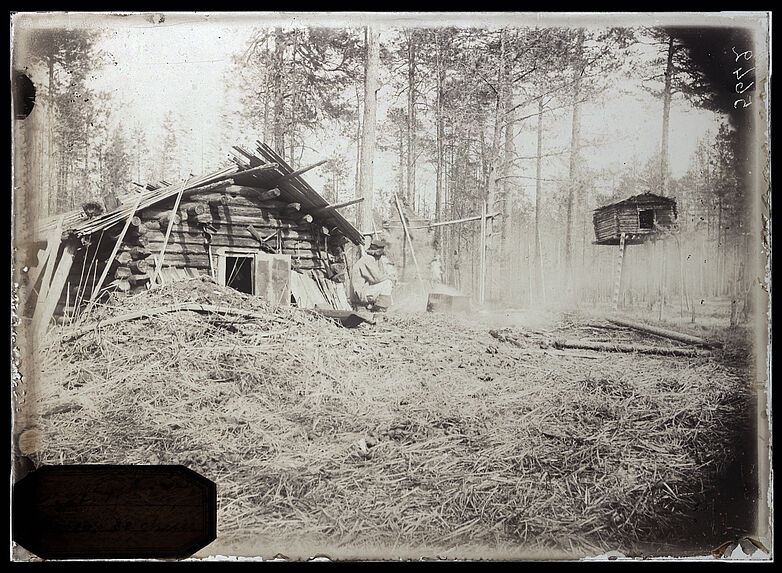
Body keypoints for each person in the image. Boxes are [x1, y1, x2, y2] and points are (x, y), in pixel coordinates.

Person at [352, 237, 394, 312]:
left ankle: (374, 306)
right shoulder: (368, 260)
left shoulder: (367, 259)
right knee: (387, 282)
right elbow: (376, 278)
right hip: (359, 294)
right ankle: (380, 309)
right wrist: (390, 277)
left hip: (360, 291)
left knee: (387, 282)